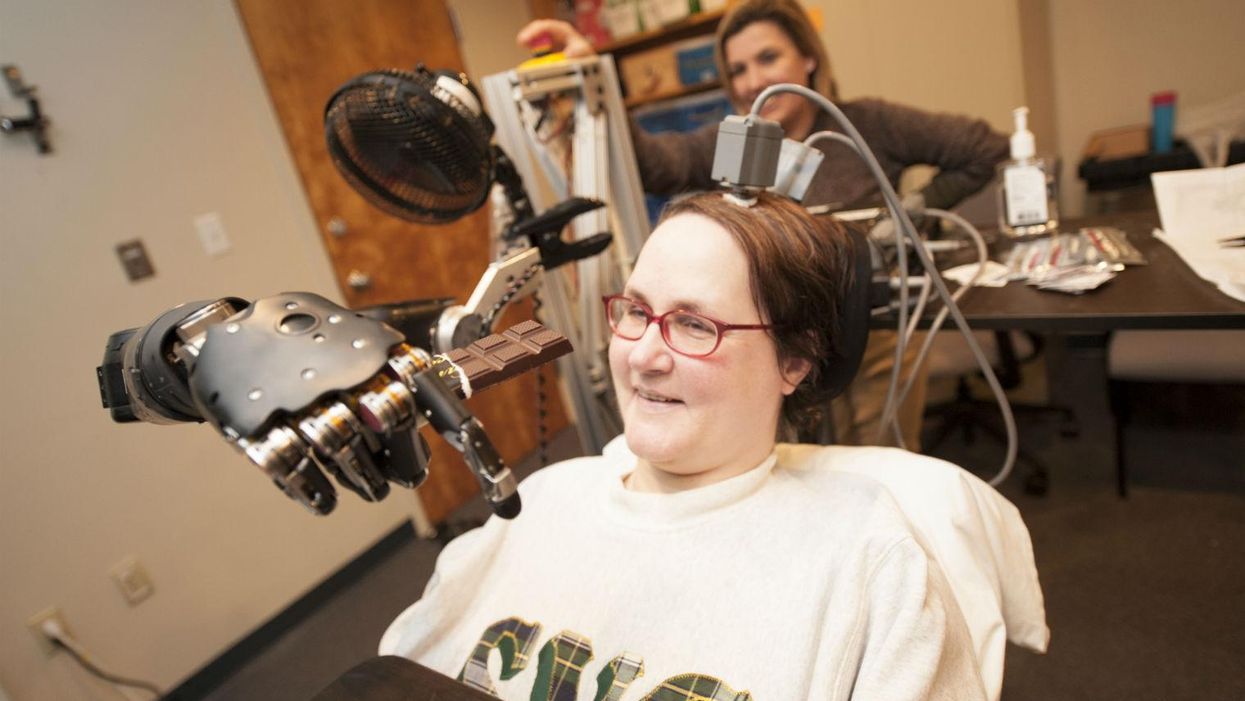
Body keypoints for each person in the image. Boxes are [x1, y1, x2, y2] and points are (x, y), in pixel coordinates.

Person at [379, 192, 988, 700]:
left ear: (794, 362)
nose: (642, 355)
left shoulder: (868, 567)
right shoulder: (536, 503)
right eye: (636, 311)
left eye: (695, 325)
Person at [517, 0, 1009, 449]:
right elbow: (655, 165)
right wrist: (594, 80)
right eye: (737, 69)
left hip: (870, 330)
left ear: (808, 58)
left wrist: (908, 214)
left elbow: (984, 148)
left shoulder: (869, 124)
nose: (752, 81)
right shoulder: (732, 144)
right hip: (774, 338)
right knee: (784, 467)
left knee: (875, 456)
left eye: (768, 59)